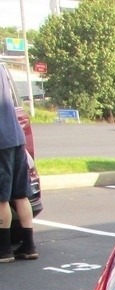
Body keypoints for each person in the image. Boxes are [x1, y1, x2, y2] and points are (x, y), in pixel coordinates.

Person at [0, 76, 37, 262]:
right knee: (20, 194)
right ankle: (29, 246)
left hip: (1, 142)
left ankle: (4, 249)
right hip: (16, 136)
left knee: (1, 198)